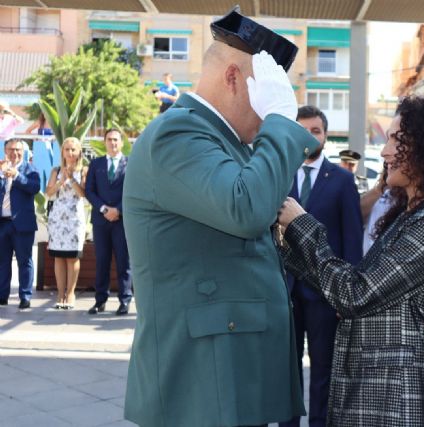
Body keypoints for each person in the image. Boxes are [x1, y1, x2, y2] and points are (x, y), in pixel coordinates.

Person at [122, 9, 317, 427]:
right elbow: (246, 209)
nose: (267, 114)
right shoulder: (179, 135)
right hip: (202, 381)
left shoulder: (221, 142)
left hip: (226, 371)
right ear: (233, 78)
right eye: (266, 95)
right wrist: (282, 122)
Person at [277, 96, 424, 426]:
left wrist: (300, 223)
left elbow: (354, 293)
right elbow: (353, 286)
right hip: (384, 389)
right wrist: (286, 244)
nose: (384, 152)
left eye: (397, 140)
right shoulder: (412, 217)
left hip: (400, 395)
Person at [281, 106, 363, 427]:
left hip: (325, 293)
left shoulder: (342, 180)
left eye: (316, 130)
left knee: (323, 372)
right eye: (304, 130)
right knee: (286, 373)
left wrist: (347, 294)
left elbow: (352, 240)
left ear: (325, 136)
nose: (310, 136)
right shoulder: (280, 175)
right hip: (284, 290)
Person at [85, 129, 132, 316]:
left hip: (121, 221)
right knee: (102, 261)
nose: (112, 143)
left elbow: (133, 190)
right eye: (109, 140)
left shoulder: (131, 164)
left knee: (124, 262)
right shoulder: (96, 164)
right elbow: (89, 191)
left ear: (121, 143)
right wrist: (104, 209)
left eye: (116, 140)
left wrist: (118, 210)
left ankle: (125, 300)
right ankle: (100, 301)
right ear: (104, 142)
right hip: (101, 220)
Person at [45, 137, 87, 309]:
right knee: (59, 256)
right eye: (67, 149)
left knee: (72, 257)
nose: (70, 153)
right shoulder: (56, 170)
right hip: (57, 218)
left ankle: (70, 293)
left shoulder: (83, 169)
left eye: (73, 149)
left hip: (74, 218)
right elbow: (49, 192)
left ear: (79, 152)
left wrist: (71, 179)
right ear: (62, 151)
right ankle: (60, 293)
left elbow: (83, 194)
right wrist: (61, 181)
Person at [0, 139, 40, 309]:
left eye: (18, 150)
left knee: (25, 261)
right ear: (5, 151)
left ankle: (25, 295)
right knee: (2, 261)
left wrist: (16, 175)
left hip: (22, 224)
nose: (14, 153)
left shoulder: (30, 169)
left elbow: (34, 187)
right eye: (11, 150)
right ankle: (2, 296)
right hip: (2, 223)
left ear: (23, 151)